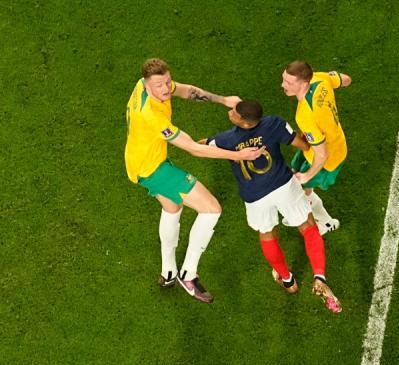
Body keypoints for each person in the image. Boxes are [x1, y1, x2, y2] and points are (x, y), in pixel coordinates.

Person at [125, 58, 264, 304]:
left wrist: (223, 100)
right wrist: (237, 155)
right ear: (147, 86)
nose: (166, 89)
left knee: (172, 207)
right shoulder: (151, 116)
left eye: (167, 82)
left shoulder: (144, 84)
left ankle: (168, 272)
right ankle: (188, 274)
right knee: (211, 209)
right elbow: (193, 148)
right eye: (159, 86)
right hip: (153, 169)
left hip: (141, 162)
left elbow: (185, 91)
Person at [205, 99, 341, 313]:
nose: (230, 112)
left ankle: (287, 280)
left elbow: (200, 146)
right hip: (284, 186)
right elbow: (303, 144)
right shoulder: (274, 124)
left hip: (255, 197)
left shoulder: (226, 139)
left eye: (234, 112)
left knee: (267, 233)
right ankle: (319, 276)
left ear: (246, 123)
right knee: (307, 225)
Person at [280, 60, 352, 235]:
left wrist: (307, 175)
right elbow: (346, 80)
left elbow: (322, 154)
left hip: (328, 158)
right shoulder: (319, 79)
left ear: (304, 83)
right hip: (327, 142)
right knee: (298, 183)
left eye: (289, 82)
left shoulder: (305, 115)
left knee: (301, 187)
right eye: (284, 79)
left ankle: (327, 222)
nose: (283, 85)